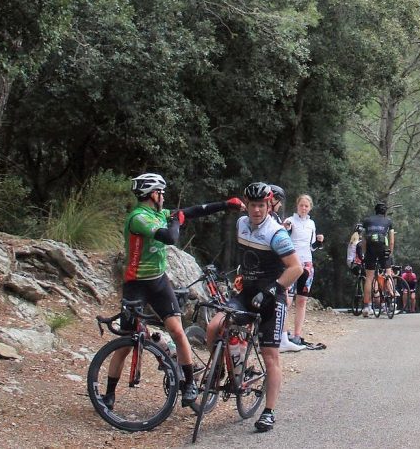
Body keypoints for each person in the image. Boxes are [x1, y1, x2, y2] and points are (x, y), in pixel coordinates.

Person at [105, 174, 242, 411]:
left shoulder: (159, 213)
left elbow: (194, 210)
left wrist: (225, 205)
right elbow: (170, 236)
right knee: (125, 344)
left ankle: (189, 383)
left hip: (158, 282)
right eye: (161, 192)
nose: (164, 196)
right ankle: (108, 394)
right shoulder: (138, 218)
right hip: (135, 283)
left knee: (178, 331)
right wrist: (176, 221)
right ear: (151, 195)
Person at [205, 181, 304, 432]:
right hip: (246, 292)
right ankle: (218, 374)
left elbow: (296, 268)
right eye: (252, 205)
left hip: (272, 297)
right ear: (246, 205)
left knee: (270, 355)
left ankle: (269, 412)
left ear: (269, 205)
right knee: (215, 326)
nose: (257, 210)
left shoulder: (276, 233)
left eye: (261, 205)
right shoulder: (241, 224)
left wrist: (272, 289)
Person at [282, 195, 323, 346]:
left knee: (302, 300)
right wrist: (286, 228)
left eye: (306, 206)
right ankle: (283, 334)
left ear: (310, 208)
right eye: (301, 205)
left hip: (307, 264)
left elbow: (311, 247)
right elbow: (284, 239)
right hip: (292, 263)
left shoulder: (312, 223)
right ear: (297, 206)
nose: (304, 208)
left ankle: (297, 334)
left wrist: (318, 242)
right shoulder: (290, 221)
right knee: (287, 300)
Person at [360, 202, 395, 317]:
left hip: (370, 248)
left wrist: (365, 253)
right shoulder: (388, 221)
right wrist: (390, 252)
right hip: (382, 247)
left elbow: (363, 240)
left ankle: (366, 306)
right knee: (387, 273)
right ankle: (391, 303)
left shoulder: (367, 221)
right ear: (385, 212)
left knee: (369, 278)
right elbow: (391, 240)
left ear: (375, 211)